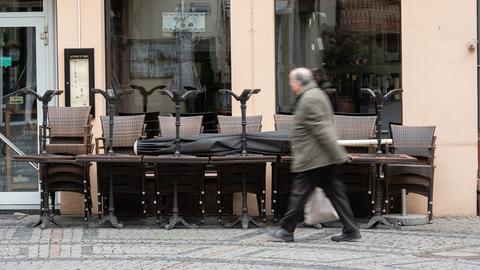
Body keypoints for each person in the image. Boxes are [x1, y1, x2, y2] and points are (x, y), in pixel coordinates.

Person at [267, 68, 361, 242]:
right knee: (336, 194)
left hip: (314, 157)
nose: (290, 84)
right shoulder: (316, 94)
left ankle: (286, 230)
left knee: (299, 194)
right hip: (322, 157)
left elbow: (322, 129)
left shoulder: (310, 98)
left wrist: (338, 154)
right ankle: (351, 229)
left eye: (291, 81)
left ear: (298, 82)